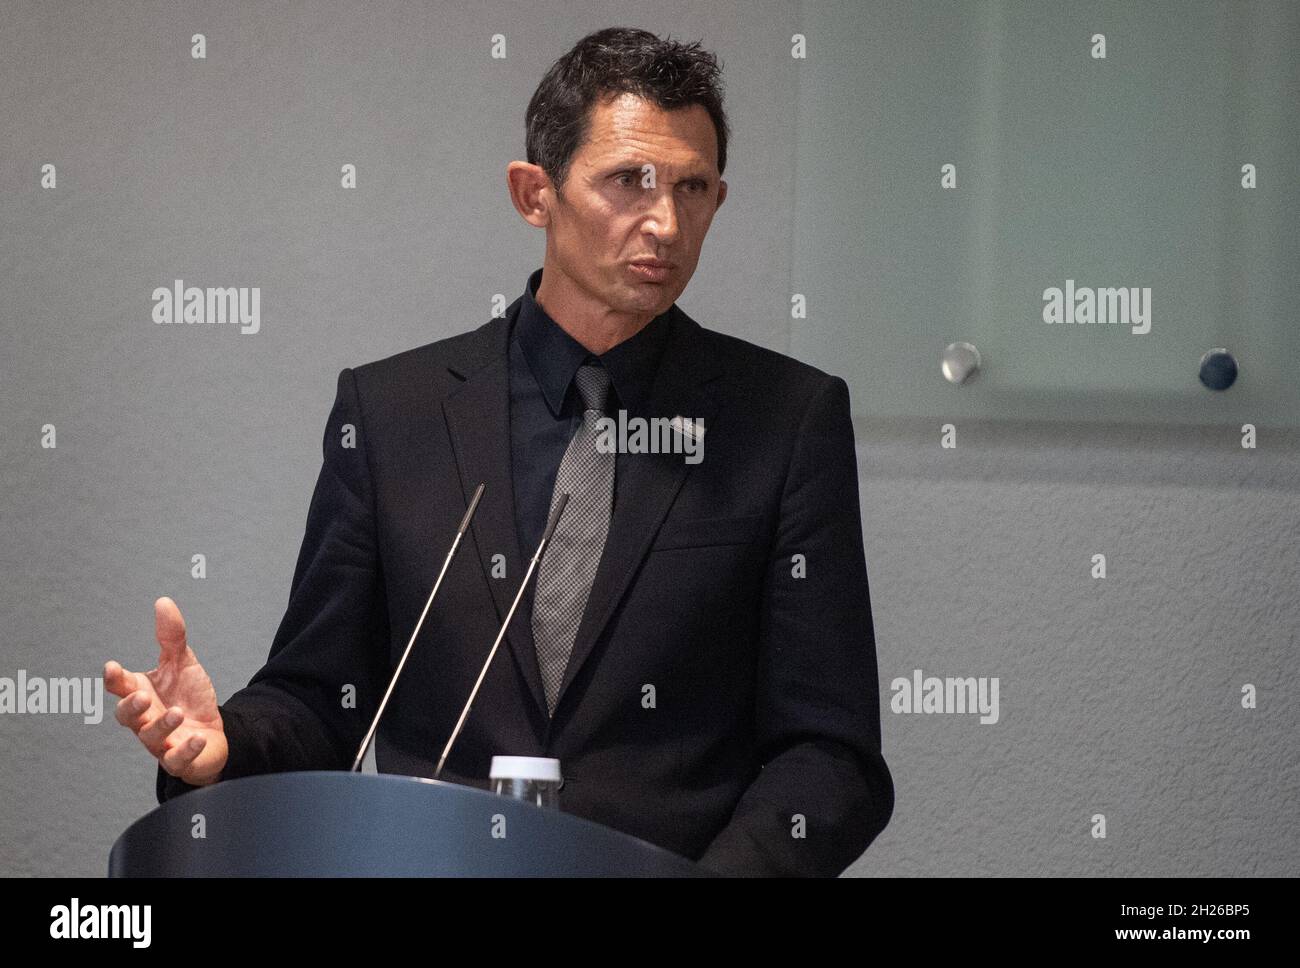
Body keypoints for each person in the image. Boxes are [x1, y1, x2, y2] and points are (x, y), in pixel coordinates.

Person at [105, 26, 893, 877]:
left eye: (692, 187)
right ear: (534, 193)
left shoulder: (785, 418)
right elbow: (321, 698)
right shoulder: (393, 412)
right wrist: (224, 744)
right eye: (629, 181)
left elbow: (829, 754)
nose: (665, 222)